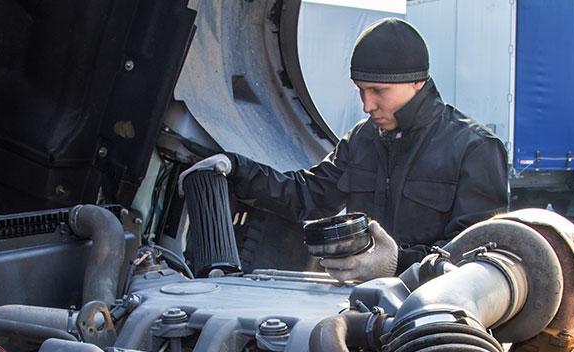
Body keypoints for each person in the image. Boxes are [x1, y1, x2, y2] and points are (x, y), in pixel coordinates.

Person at [179, 18, 508, 282]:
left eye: (379, 91)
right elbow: (305, 194)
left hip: (429, 320)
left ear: (417, 81)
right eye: (361, 91)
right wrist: (237, 168)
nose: (367, 105)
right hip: (357, 311)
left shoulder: (474, 149)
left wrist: (396, 264)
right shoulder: (362, 140)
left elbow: (475, 260)